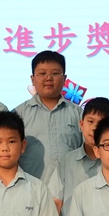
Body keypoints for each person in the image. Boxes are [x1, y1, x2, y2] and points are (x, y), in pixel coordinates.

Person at [14, 50, 83, 181]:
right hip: (30, 188)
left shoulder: (78, 114)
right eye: (42, 73)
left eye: (55, 73)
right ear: (32, 79)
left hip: (70, 188)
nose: (49, 78)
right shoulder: (18, 114)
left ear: (64, 79)